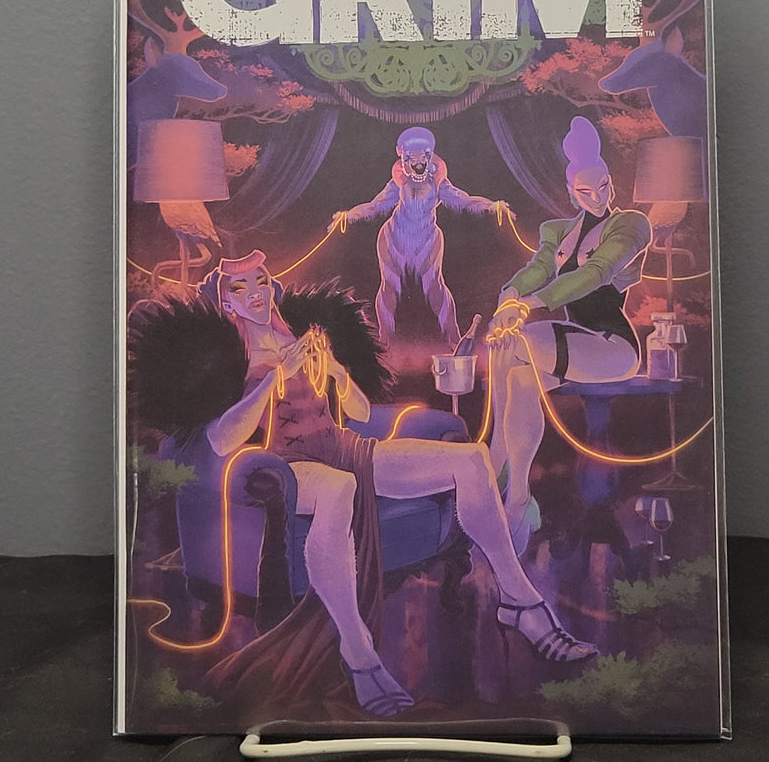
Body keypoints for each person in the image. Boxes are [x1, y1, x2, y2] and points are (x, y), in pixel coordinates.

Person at [201, 249, 597, 719]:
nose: (254, 292)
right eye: (240, 287)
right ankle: (359, 652)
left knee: (472, 460)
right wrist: (274, 380)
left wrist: (337, 373)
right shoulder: (233, 356)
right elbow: (221, 439)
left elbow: (361, 412)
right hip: (292, 464)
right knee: (338, 488)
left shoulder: (300, 340)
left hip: (344, 446)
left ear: (273, 287)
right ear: (227, 303)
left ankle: (518, 599)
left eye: (261, 281)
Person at [488, 117, 651, 550]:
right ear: (569, 191)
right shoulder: (556, 231)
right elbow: (538, 269)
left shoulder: (630, 225)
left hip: (612, 346)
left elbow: (596, 273)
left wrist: (528, 305)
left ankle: (494, 462)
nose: (597, 197)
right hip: (574, 338)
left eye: (604, 187)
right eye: (585, 191)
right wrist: (508, 295)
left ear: (611, 183)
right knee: (518, 374)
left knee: (519, 341)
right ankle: (518, 496)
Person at [330, 126, 509, 349]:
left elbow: (464, 200)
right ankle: (384, 341)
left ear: (428, 156)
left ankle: (454, 338)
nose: (417, 162)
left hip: (427, 239)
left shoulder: (439, 182)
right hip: (394, 236)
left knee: (436, 287)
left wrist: (493, 206)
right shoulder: (398, 183)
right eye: (412, 157)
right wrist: (349, 215)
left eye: (421, 156)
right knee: (389, 286)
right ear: (404, 158)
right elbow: (375, 205)